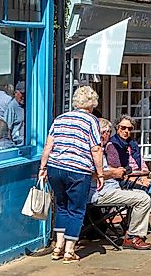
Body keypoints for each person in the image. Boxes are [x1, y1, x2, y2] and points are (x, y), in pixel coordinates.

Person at [38, 85, 104, 263]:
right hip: (78, 170)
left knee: (62, 206)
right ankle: (69, 251)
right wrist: (100, 173)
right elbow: (96, 149)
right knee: (76, 209)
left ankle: (58, 247)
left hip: (55, 168)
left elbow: (48, 145)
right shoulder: (91, 121)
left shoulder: (60, 119)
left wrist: (42, 168)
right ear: (91, 104)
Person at [92, 119, 151, 250]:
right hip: (99, 193)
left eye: (108, 132)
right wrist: (114, 173)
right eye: (103, 132)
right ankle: (132, 237)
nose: (106, 135)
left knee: (142, 194)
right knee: (142, 199)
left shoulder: (103, 149)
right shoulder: (93, 151)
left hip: (112, 188)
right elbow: (91, 174)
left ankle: (131, 231)